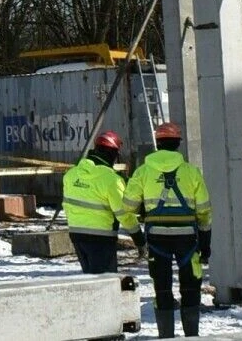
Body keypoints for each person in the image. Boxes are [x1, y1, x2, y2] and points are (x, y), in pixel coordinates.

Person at [118, 121, 212, 338]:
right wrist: (206, 243)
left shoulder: (143, 172)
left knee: (162, 289)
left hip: (157, 238)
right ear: (178, 143)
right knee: (190, 287)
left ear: (158, 144)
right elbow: (205, 211)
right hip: (187, 239)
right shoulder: (191, 172)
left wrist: (138, 237)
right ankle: (191, 335)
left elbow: (127, 208)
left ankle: (166, 336)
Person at [61, 130, 126, 274]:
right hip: (102, 237)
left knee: (90, 278)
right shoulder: (112, 180)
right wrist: (138, 238)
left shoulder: (71, 175)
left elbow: (66, 205)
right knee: (105, 281)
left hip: (76, 233)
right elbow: (123, 213)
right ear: (113, 153)